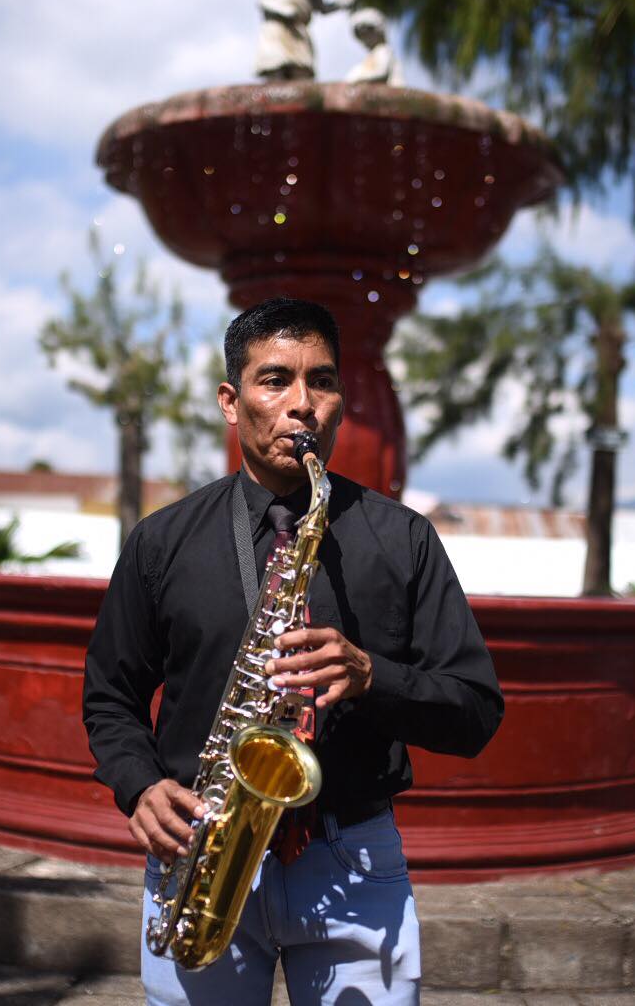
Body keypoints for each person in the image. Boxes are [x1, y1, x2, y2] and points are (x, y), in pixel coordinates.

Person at [83, 297, 503, 1005]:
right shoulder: (163, 542)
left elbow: (476, 711)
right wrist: (139, 784)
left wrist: (375, 677)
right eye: (275, 380)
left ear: (341, 401)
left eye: (323, 382)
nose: (302, 404)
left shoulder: (404, 540)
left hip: (352, 857)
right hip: (202, 852)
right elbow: (110, 696)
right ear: (230, 399)